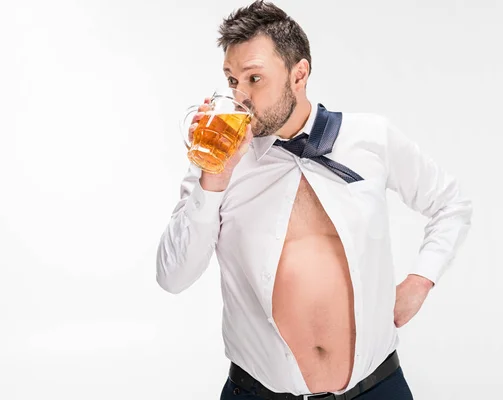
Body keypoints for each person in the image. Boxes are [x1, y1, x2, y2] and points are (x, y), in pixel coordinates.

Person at [156, 1, 473, 399]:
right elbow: (173, 276)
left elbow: (451, 205)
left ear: (298, 74)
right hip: (259, 392)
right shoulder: (216, 165)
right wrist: (213, 180)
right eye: (232, 80)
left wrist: (421, 278)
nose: (240, 96)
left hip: (377, 387)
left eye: (254, 79)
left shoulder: (370, 137)